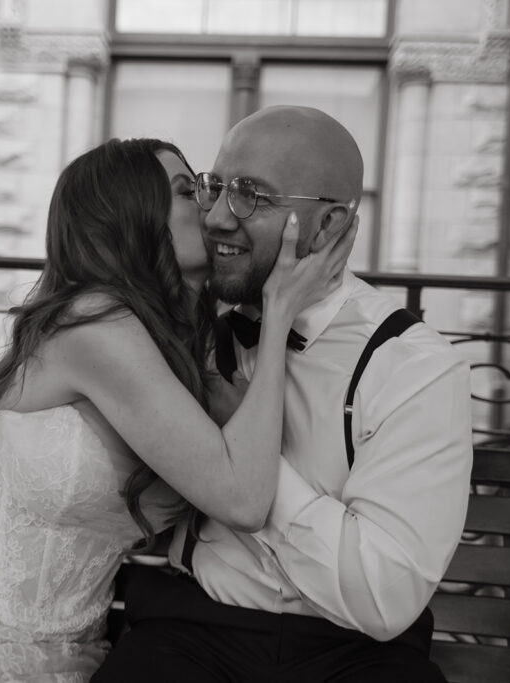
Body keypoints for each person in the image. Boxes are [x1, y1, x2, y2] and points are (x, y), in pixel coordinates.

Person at [0, 137, 354, 682]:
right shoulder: (97, 324)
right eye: (190, 191)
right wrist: (280, 312)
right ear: (134, 218)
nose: (213, 211)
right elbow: (244, 499)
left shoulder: (186, 348)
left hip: (62, 650)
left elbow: (236, 481)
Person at [93, 107, 474, 682]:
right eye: (214, 187)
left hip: (354, 653)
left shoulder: (412, 366)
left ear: (329, 227)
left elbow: (383, 598)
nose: (218, 217)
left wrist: (242, 451)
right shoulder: (184, 329)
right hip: (192, 629)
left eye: (254, 196)